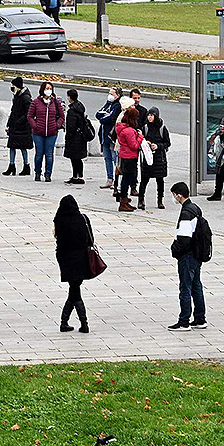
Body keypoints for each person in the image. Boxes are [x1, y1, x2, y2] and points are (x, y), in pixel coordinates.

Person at [169, 182, 206, 331]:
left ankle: (184, 321)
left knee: (185, 287)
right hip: (197, 254)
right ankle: (200, 318)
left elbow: (184, 239)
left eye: (174, 195)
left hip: (187, 256)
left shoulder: (186, 213)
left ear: (179, 195)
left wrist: (174, 249)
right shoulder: (195, 208)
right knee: (196, 286)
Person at [53, 195, 91, 333]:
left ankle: (68, 323)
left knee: (74, 291)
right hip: (82, 258)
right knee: (75, 290)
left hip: (65, 259)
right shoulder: (83, 219)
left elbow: (58, 240)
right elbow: (90, 240)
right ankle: (81, 324)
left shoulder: (59, 221)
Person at [28, 80, 64, 182]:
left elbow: (62, 116)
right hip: (38, 133)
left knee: (49, 154)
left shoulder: (56, 102)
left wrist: (56, 125)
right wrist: (35, 126)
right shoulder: (36, 102)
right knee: (39, 154)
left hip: (52, 133)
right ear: (42, 90)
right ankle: (37, 172)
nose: (48, 91)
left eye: (50, 89)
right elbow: (30, 116)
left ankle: (48, 174)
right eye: (47, 88)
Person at [138, 106, 171, 210]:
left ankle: (160, 200)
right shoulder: (145, 128)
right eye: (148, 115)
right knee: (144, 180)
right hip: (148, 157)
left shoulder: (162, 128)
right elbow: (140, 140)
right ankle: (141, 199)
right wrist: (146, 143)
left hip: (159, 158)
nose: (149, 117)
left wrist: (158, 146)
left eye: (151, 115)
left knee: (160, 180)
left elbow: (167, 143)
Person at [115, 106, 143, 212]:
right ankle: (123, 202)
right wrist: (140, 137)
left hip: (124, 155)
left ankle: (124, 200)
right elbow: (134, 145)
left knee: (125, 179)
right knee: (127, 179)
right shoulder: (129, 131)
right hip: (129, 157)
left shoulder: (122, 128)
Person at [94, 87, 123, 189]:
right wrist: (104, 116)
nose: (110, 95)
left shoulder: (118, 105)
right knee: (107, 159)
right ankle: (109, 179)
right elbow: (98, 113)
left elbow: (112, 118)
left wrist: (103, 118)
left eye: (112, 94)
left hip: (112, 137)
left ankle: (118, 181)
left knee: (115, 159)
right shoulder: (108, 103)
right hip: (104, 136)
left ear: (118, 95)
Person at [4, 77, 33, 176]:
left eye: (13, 86)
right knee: (12, 146)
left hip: (22, 127)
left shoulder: (25, 97)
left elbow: (28, 113)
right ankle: (11, 166)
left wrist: (19, 121)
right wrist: (9, 123)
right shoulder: (16, 96)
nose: (11, 88)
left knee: (22, 147)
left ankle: (26, 166)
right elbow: (13, 111)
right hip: (15, 125)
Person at [62, 89, 88, 185]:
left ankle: (75, 176)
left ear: (70, 97)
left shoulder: (72, 111)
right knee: (78, 158)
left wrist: (68, 137)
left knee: (74, 158)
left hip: (74, 138)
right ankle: (80, 176)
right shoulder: (80, 107)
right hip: (81, 137)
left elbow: (71, 127)